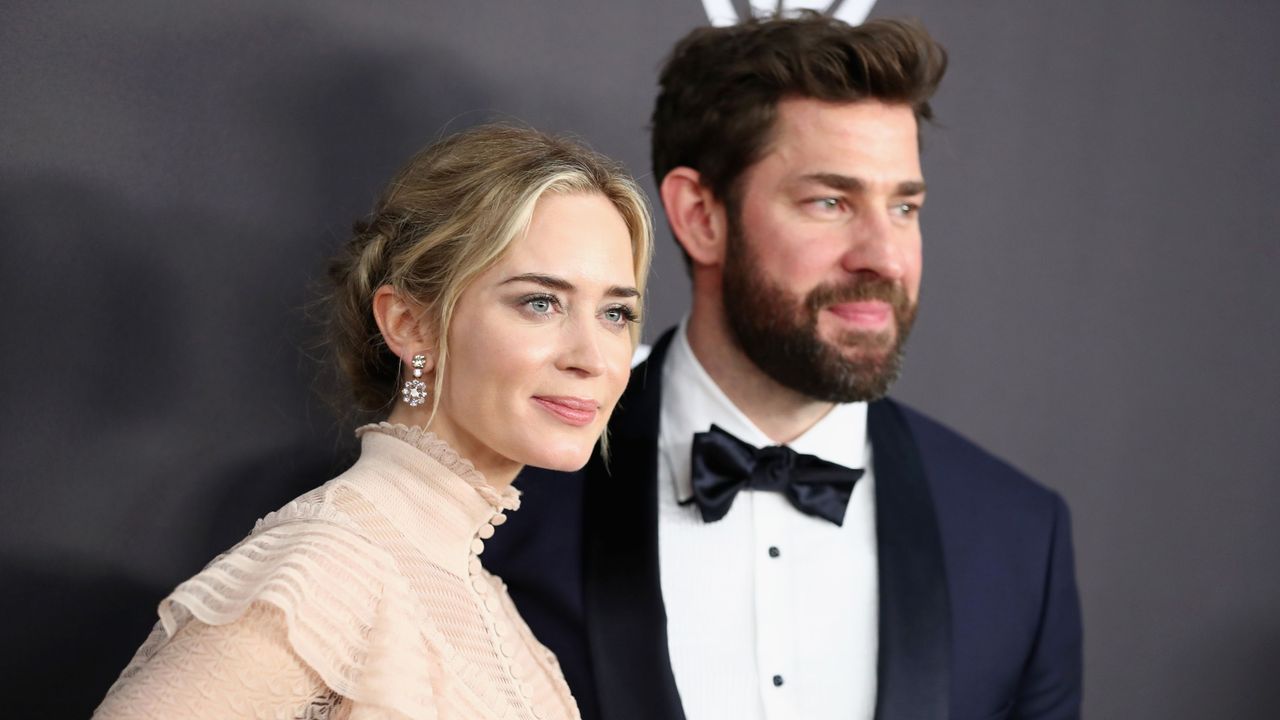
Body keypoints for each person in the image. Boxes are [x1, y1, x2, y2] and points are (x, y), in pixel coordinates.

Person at [483, 15, 1083, 720]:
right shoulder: (507, 496)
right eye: (830, 202)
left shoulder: (1016, 537)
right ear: (701, 215)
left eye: (904, 206)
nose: (885, 257)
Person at [93, 124, 654, 719]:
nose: (592, 358)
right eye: (541, 302)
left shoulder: (478, 594)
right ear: (410, 324)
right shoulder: (330, 566)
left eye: (616, 312)